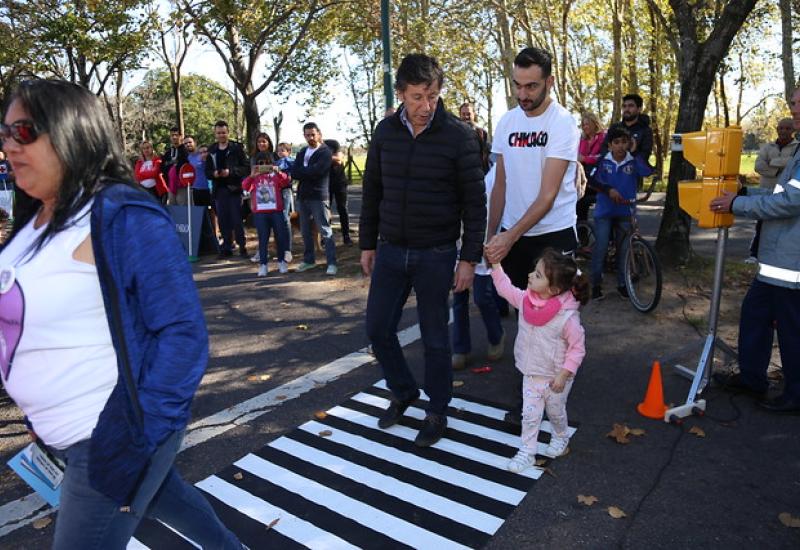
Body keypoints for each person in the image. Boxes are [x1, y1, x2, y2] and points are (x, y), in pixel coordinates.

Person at [0, 79, 242, 549]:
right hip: (64, 433)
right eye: (4, 132)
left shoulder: (123, 215)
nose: (8, 144)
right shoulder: (32, 220)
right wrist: (37, 405)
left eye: (23, 131)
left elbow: (182, 334)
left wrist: (135, 437)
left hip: (108, 439)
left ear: (70, 132)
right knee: (167, 497)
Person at [360, 53, 486, 447]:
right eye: (417, 97)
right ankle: (403, 391)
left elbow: (474, 203)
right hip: (391, 250)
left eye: (432, 96)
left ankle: (437, 410)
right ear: (400, 94)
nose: (426, 106)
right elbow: (372, 192)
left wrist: (468, 258)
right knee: (378, 329)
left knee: (435, 337)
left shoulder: (458, 135)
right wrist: (367, 243)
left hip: (437, 252)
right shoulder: (384, 132)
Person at [484, 47, 580, 425]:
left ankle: (553, 402)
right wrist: (492, 235)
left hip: (552, 234)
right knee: (528, 324)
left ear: (550, 82)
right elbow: (500, 186)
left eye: (532, 87)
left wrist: (510, 236)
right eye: (518, 86)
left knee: (555, 327)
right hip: (515, 234)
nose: (523, 95)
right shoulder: (507, 121)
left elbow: (548, 195)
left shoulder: (563, 124)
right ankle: (529, 400)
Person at [709, 87, 800, 415]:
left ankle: (795, 393)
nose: (795, 109)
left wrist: (738, 203)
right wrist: (745, 190)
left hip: (792, 264)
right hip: (777, 260)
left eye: (799, 104)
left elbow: (791, 201)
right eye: (793, 103)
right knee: (755, 314)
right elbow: (780, 190)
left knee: (791, 328)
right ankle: (751, 377)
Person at [491, 249, 588, 472]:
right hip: (531, 372)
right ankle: (527, 452)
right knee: (530, 416)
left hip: (556, 377)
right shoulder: (526, 300)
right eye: (534, 271)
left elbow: (577, 348)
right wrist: (496, 267)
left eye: (538, 275)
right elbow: (506, 289)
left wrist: (565, 373)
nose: (530, 275)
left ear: (553, 289)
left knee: (555, 412)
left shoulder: (567, 317)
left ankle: (560, 436)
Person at [451, 164, 505, 370]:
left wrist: (492, 239)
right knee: (459, 297)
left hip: (482, 245)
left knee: (482, 297)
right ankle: (460, 348)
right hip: (456, 246)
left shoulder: (491, 178)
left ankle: (496, 335)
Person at [590, 126, 653, 300]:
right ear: (610, 145)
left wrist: (635, 153)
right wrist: (608, 189)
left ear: (629, 143)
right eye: (616, 142)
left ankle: (622, 284)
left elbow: (647, 171)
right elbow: (592, 180)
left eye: (624, 142)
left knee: (625, 250)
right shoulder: (603, 161)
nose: (620, 146)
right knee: (601, 248)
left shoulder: (633, 161)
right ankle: (595, 283)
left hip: (626, 211)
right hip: (604, 212)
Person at [747, 118, 800, 263]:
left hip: (786, 193)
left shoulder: (797, 147)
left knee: (784, 226)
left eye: (787, 128)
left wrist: (773, 163)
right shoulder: (767, 147)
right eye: (781, 128)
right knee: (762, 224)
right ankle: (754, 254)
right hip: (766, 191)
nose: (783, 131)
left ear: (793, 130)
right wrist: (780, 171)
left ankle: (780, 258)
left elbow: (793, 164)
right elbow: (758, 166)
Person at [242, 140, 291, 276]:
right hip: (260, 213)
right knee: (263, 239)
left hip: (276, 211)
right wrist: (252, 176)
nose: (264, 166)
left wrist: (278, 172)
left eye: (267, 163)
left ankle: (282, 261)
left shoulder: (275, 176)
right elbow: (245, 186)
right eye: (261, 164)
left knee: (280, 237)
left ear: (272, 163)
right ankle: (263, 264)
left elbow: (286, 181)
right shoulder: (255, 178)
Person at [293, 122, 337, 275]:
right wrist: (306, 171)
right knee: (305, 231)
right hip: (302, 196)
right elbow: (294, 172)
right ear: (304, 135)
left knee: (325, 229)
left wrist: (303, 171)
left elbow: (319, 171)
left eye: (313, 134)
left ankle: (332, 263)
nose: (310, 137)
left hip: (319, 196)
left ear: (318, 134)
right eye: (307, 135)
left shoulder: (325, 152)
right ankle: (309, 260)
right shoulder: (302, 152)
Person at [205, 120, 249, 258]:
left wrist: (230, 172)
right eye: (219, 133)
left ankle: (242, 247)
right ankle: (226, 248)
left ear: (228, 133)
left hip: (234, 189)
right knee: (223, 220)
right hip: (219, 190)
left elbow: (245, 168)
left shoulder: (236, 148)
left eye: (224, 132)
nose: (221, 135)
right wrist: (214, 174)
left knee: (237, 220)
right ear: (215, 134)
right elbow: (207, 171)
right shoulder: (211, 150)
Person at [601, 93, 654, 175]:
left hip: (633, 174)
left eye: (631, 106)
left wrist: (633, 151)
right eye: (624, 106)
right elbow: (604, 147)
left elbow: (645, 155)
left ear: (639, 109)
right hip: (610, 171)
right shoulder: (615, 127)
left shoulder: (645, 130)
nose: (626, 109)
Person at [576, 112, 606, 230]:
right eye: (583, 124)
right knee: (578, 203)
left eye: (587, 124)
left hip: (598, 177)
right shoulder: (582, 139)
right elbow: (578, 156)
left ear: (595, 124)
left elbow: (602, 157)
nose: (584, 127)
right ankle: (582, 237)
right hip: (585, 177)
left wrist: (585, 159)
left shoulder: (603, 137)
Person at [324, 138, 352, 245]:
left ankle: (346, 235)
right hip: (326, 183)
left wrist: (324, 157)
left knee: (343, 209)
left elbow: (339, 159)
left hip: (340, 182)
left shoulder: (333, 143)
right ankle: (326, 236)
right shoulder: (320, 146)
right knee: (326, 210)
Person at [276, 142, 295, 263]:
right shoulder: (276, 163)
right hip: (276, 192)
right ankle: (280, 248)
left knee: (285, 218)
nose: (280, 153)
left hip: (286, 191)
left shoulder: (290, 162)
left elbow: (290, 176)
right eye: (279, 151)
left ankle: (288, 249)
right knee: (278, 219)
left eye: (283, 150)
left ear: (288, 152)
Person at [459, 101, 490, 173]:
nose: (466, 117)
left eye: (468, 114)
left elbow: (487, 154)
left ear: (473, 115)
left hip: (479, 173)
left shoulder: (482, 133)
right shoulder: (453, 133)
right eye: (463, 114)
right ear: (460, 115)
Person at [161, 127, 188, 205]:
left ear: (180, 136)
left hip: (182, 186)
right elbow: (163, 167)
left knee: (183, 208)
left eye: (176, 135)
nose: (174, 137)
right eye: (172, 135)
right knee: (173, 209)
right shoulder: (168, 152)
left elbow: (187, 165)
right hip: (170, 186)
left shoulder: (185, 150)